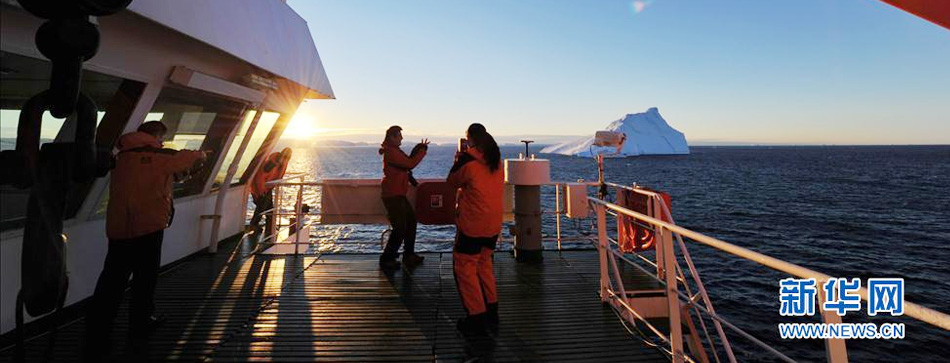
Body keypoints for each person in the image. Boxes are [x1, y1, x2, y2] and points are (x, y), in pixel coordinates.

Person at [85, 121, 206, 356]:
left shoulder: (121, 157)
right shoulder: (158, 155)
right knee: (144, 278)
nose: (162, 142)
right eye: (161, 138)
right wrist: (202, 153)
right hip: (148, 227)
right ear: (156, 135)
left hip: (119, 227)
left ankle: (99, 324)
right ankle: (140, 322)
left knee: (113, 277)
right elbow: (189, 158)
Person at [447, 123, 504, 335]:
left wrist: (458, 159)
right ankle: (491, 309)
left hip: (473, 224)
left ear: (470, 138)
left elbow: (452, 181)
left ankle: (476, 317)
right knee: (484, 265)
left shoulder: (468, 159)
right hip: (493, 224)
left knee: (465, 268)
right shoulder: (496, 159)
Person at [379, 125, 429, 269]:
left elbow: (405, 165)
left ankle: (408, 255)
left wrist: (419, 149)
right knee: (400, 228)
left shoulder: (393, 151)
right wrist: (422, 151)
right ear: (392, 137)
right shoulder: (392, 152)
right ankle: (387, 258)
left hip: (397, 194)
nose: (401, 138)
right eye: (399, 135)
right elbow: (410, 164)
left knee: (411, 222)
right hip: (393, 195)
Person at [249, 147, 293, 236]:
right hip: (260, 188)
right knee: (263, 208)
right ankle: (256, 225)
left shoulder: (280, 163)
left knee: (268, 209)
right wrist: (261, 191)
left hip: (267, 188)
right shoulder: (271, 163)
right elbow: (259, 176)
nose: (284, 159)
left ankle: (267, 228)